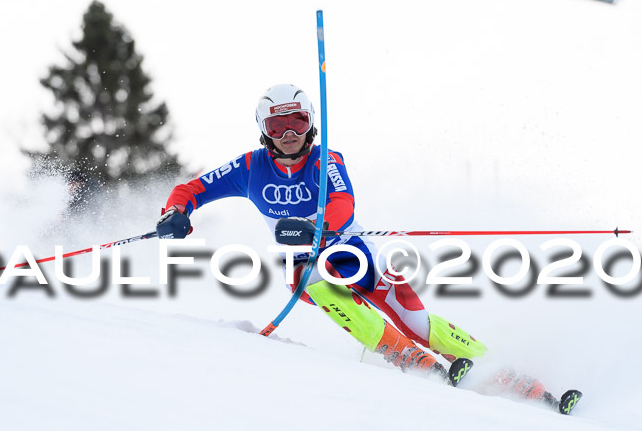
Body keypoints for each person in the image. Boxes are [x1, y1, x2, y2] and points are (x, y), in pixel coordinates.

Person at [156, 84, 551, 400]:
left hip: (355, 252)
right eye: (278, 127)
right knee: (310, 280)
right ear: (264, 131)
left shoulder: (326, 158)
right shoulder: (249, 168)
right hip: (305, 263)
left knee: (416, 319)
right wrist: (176, 213)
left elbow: (343, 200)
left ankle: (504, 374)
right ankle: (407, 357)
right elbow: (192, 188)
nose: (289, 133)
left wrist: (323, 227)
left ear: (311, 122)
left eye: (297, 121)